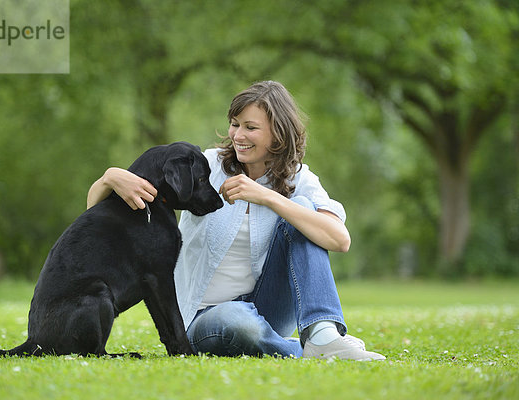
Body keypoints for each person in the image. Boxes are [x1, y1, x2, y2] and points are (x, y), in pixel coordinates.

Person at [87, 81, 385, 361]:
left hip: (267, 308)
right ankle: (303, 348)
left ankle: (322, 333)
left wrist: (269, 198)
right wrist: (109, 178)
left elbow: (339, 239)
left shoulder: (300, 179)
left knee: (303, 208)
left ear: (278, 134)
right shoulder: (206, 167)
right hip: (204, 317)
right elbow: (99, 216)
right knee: (238, 320)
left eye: (250, 127)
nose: (238, 135)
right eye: (235, 124)